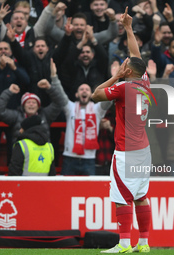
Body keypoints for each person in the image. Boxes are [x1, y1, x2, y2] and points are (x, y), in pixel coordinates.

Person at [92, 7, 151, 253]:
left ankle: (124, 243)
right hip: (144, 150)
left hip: (126, 151)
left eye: (126, 65)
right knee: (140, 196)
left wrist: (116, 75)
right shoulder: (145, 82)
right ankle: (144, 243)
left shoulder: (124, 87)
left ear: (128, 71)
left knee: (120, 197)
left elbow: (95, 95)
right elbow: (136, 56)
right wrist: (127, 27)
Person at [61, 83, 111, 176]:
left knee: (90, 190)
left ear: (91, 94)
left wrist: (115, 78)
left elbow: (109, 98)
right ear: (77, 94)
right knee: (65, 189)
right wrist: (54, 76)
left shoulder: (97, 109)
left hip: (89, 159)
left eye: (87, 89)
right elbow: (59, 94)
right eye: (81, 89)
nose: (84, 91)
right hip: (69, 158)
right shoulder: (70, 107)